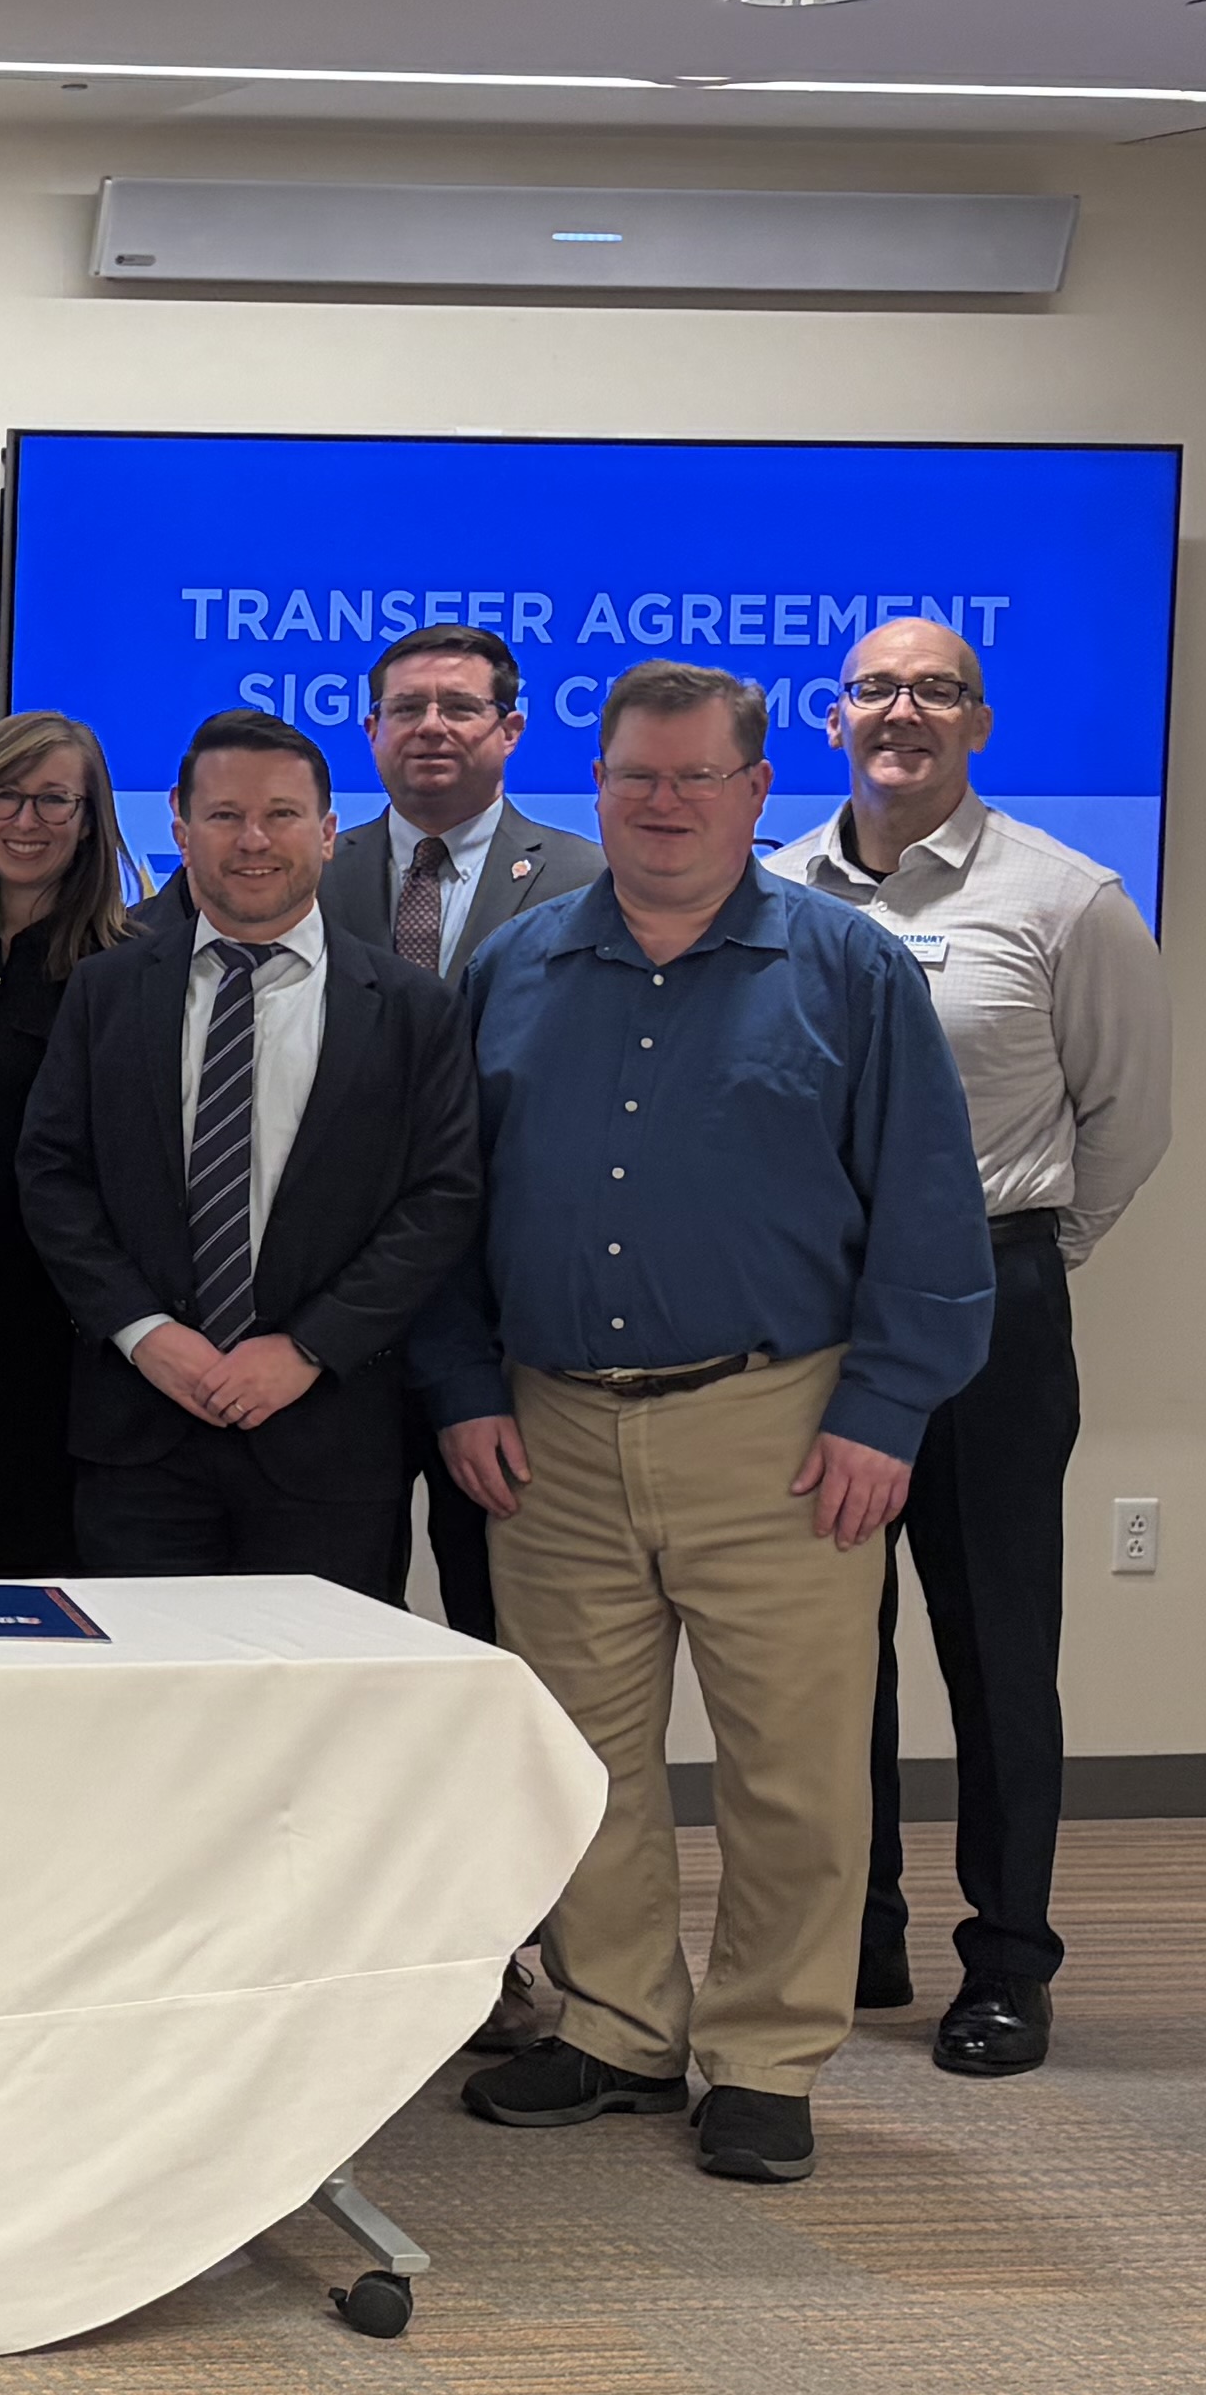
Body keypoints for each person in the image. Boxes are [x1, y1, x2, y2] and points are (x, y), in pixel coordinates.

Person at [422, 661, 995, 2192]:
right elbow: (446, 1211)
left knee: (795, 1770)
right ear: (592, 790)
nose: (663, 807)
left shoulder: (852, 973)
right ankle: (618, 2027)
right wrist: (465, 1387)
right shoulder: (515, 968)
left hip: (782, 1428)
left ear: (756, 793)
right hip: (549, 1433)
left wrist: (885, 1412)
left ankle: (763, 2055)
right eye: (635, 781)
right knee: (581, 1764)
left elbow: (936, 1220)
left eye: (695, 780)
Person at [781, 615, 1174, 2078]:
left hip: (993, 1309)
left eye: (937, 690)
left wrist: (1026, 1260)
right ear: (833, 721)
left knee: (997, 1645)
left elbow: (1128, 1119)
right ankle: (860, 1925)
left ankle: (1009, 1961)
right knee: (829, 1649)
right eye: (876, 689)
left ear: (980, 724)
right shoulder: (772, 894)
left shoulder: (1067, 902)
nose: (904, 712)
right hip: (814, 1312)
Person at [13, 715, 481, 1595]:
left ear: (331, 832)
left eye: (283, 814)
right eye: (225, 816)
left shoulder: (413, 1008)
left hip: (328, 1437)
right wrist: (147, 1337)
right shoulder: (105, 991)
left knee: (320, 1720)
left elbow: (441, 1199)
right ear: (181, 831)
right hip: (138, 1433)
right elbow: (52, 1177)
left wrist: (306, 1349)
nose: (254, 840)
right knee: (146, 1713)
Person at [322, 621, 594, 1640]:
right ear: (370, 728)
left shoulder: (584, 879)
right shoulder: (306, 869)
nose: (431, 727)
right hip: (333, 1311)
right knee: (342, 1613)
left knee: (503, 1614)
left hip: (502, 1315)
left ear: (512, 728)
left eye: (460, 707)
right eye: (407, 709)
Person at [0, 711, 133, 1576]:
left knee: (75, 1571)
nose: (26, 821)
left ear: (91, 821)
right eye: (6, 796)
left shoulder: (131, 965)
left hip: (76, 1333)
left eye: (55, 800)